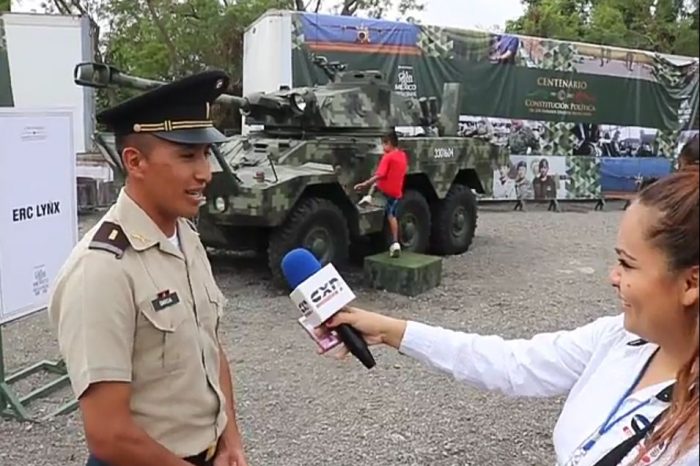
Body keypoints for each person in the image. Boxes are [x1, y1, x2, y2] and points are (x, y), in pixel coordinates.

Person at [322, 166, 700, 465]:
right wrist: (392, 331)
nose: (612, 277)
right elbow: (512, 363)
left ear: (690, 283)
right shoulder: (619, 338)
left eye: (627, 264)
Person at [47, 70, 248, 466]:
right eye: (187, 156)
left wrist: (231, 440)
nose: (205, 172)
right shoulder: (101, 270)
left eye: (206, 154)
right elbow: (109, 435)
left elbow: (209, 346)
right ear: (135, 161)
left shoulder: (185, 236)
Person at [354, 130, 408, 258]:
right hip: (396, 191)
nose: (382, 148)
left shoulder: (387, 157)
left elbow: (380, 175)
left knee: (375, 184)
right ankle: (395, 243)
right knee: (391, 215)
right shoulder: (402, 155)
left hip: (385, 190)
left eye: (383, 145)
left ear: (388, 143)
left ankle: (368, 197)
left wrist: (364, 184)